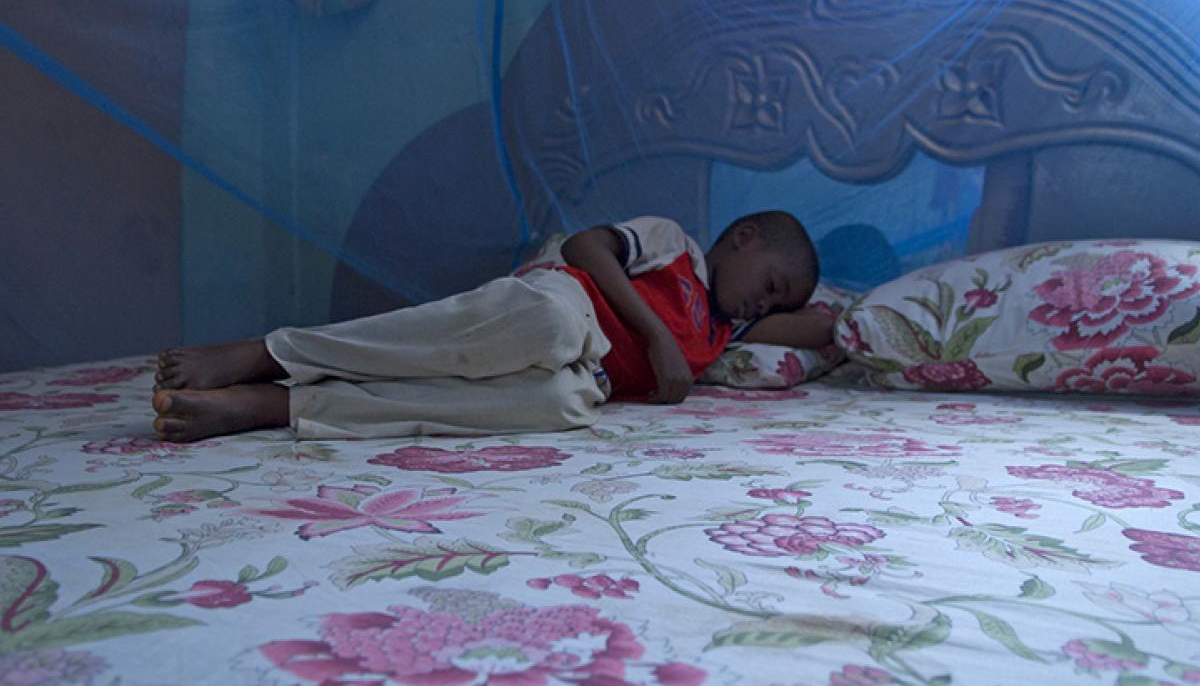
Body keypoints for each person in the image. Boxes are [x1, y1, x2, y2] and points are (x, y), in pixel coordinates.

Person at [151, 210, 833, 442]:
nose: (760, 308)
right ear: (742, 237)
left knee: (558, 405)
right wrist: (655, 335)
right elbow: (584, 248)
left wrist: (809, 310)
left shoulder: (725, 334)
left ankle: (284, 404)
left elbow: (825, 328)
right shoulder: (674, 245)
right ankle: (269, 351)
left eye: (775, 305)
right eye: (768, 286)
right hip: (568, 305)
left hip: (584, 379)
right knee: (545, 328)